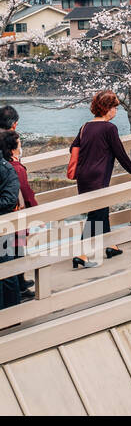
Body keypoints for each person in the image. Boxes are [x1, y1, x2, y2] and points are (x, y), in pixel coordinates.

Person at [69, 90, 131, 268]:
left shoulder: (85, 126)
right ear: (108, 108)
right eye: (115, 107)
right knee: (96, 215)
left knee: (101, 210)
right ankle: (80, 253)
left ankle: (110, 245)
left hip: (83, 177)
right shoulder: (109, 128)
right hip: (98, 177)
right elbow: (120, 154)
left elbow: (73, 148)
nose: (116, 111)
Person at [0, 107, 35, 299]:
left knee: (11, 250)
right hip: (10, 209)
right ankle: (17, 291)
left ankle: (18, 283)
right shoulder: (9, 143)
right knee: (13, 249)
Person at [0, 130, 25, 308]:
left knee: (6, 270)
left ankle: (12, 313)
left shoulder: (5, 168)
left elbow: (9, 200)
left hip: (3, 225)